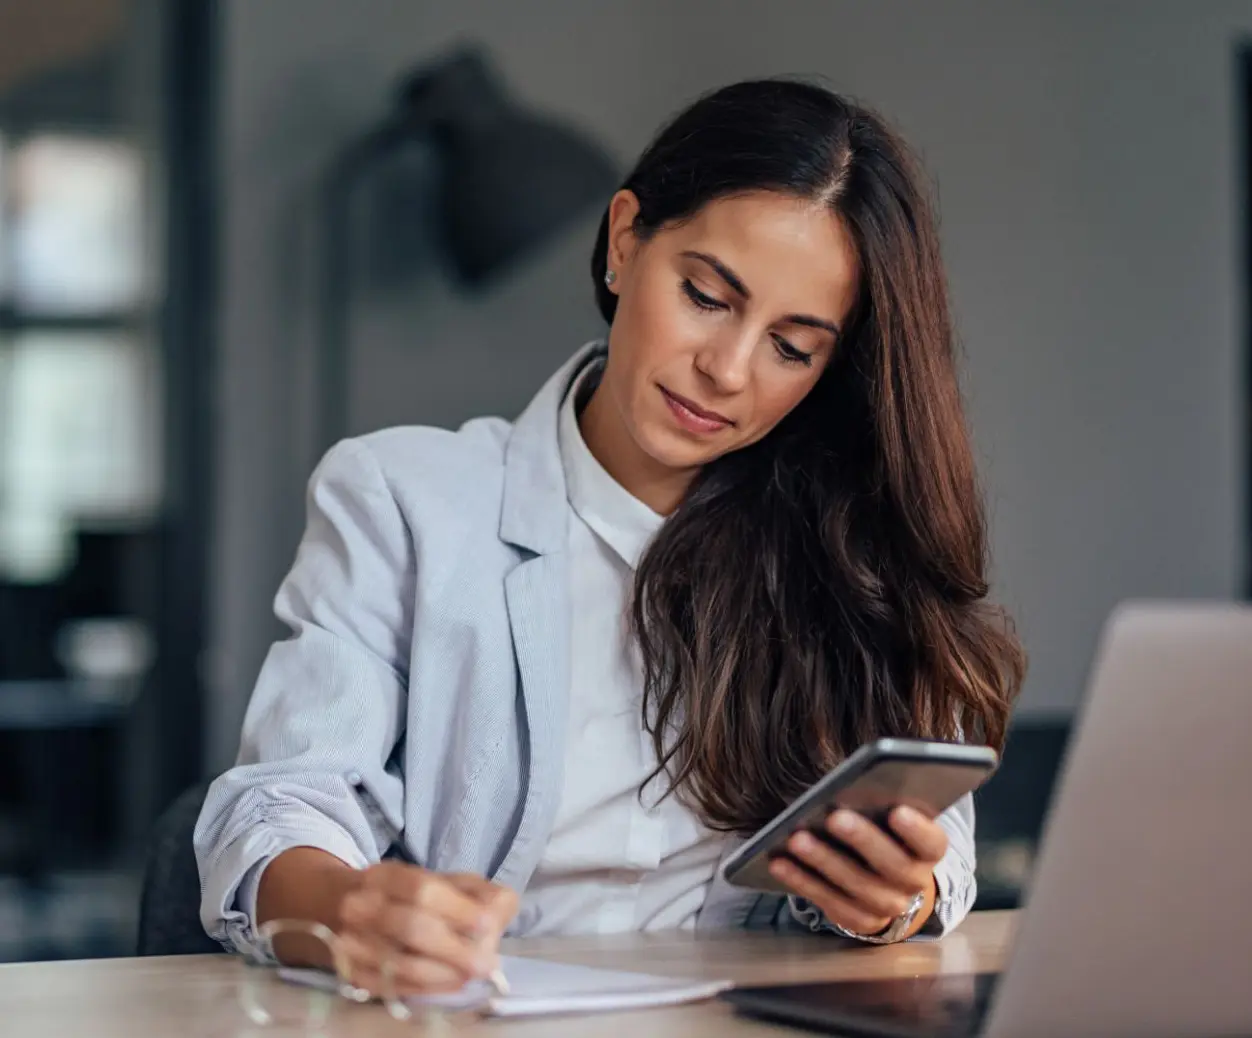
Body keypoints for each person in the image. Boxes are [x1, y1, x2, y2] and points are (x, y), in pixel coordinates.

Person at [195, 77, 1025, 997]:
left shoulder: (852, 544)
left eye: (793, 347)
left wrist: (897, 898)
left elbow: (941, 860)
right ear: (626, 241)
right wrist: (349, 910)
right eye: (707, 295)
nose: (726, 370)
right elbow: (276, 808)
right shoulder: (403, 499)